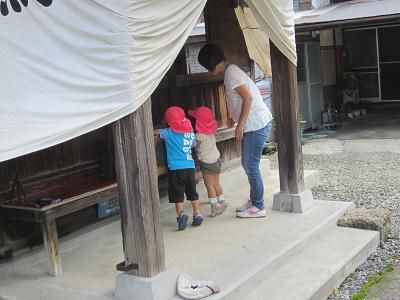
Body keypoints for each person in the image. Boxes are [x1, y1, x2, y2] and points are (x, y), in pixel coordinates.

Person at [198, 43, 273, 218]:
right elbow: (240, 99)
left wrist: (240, 124)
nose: (210, 72)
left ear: (212, 63)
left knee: (251, 166)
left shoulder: (231, 73)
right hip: (254, 123)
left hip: (256, 124)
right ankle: (255, 201)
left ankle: (259, 206)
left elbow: (248, 98)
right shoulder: (230, 72)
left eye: (208, 67)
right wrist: (234, 117)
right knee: (249, 165)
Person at [154, 106, 203, 230]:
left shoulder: (168, 133)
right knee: (192, 192)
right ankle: (197, 213)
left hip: (176, 169)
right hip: (190, 167)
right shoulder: (189, 132)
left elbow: (155, 133)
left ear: (169, 122)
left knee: (178, 195)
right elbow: (193, 144)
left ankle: (180, 216)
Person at [189, 106, 228, 217]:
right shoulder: (211, 131)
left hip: (207, 163)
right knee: (216, 184)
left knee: (209, 185)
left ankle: (214, 206)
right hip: (216, 160)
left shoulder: (199, 135)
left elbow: (192, 144)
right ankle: (222, 201)